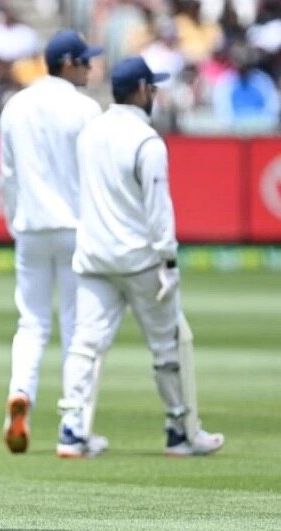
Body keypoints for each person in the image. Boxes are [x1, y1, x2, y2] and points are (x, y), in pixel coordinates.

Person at [56, 55, 225, 458]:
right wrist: (168, 260)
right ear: (142, 90)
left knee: (85, 345)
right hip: (140, 261)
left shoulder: (90, 132)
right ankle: (180, 430)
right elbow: (158, 208)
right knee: (168, 345)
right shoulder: (147, 141)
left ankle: (72, 429)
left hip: (95, 258)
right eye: (153, 87)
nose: (155, 93)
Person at [0, 29, 107, 456]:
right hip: (77, 227)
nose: (90, 67)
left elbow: (8, 173)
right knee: (79, 329)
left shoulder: (16, 105)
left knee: (32, 323)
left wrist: (16, 223)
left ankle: (19, 395)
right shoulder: (86, 108)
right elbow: (98, 175)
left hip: (30, 226)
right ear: (68, 64)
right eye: (85, 61)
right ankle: (73, 426)